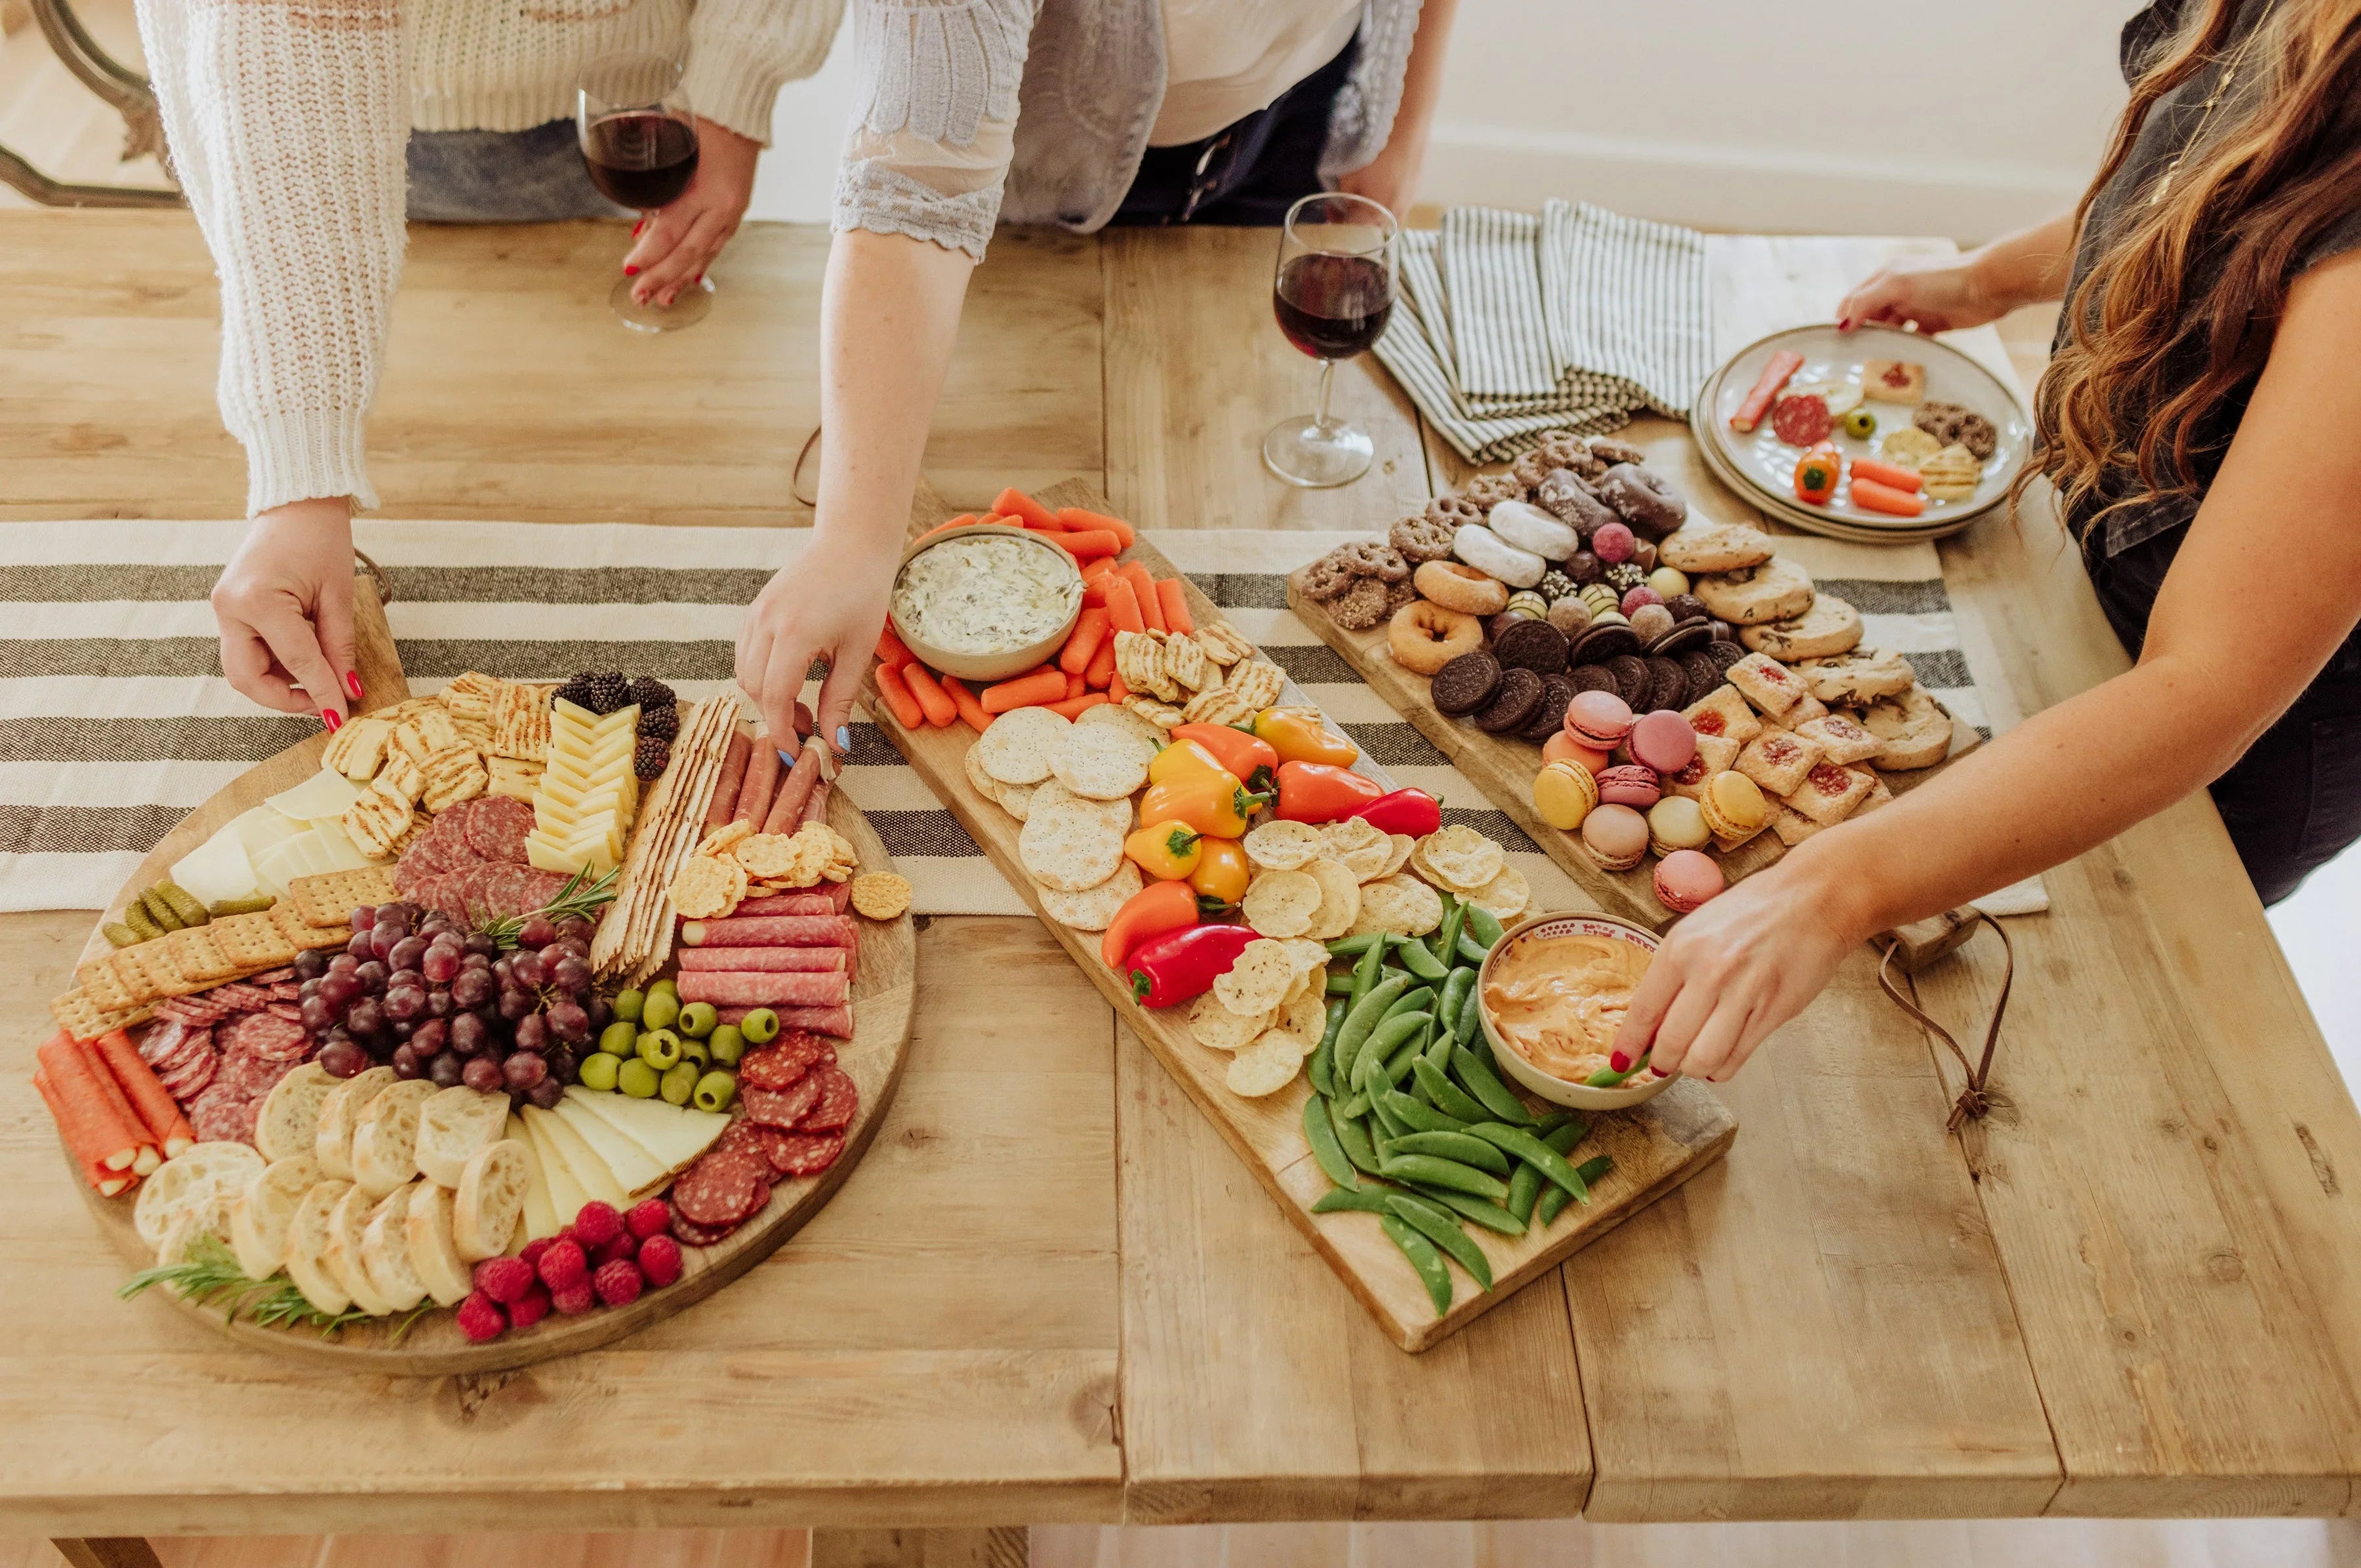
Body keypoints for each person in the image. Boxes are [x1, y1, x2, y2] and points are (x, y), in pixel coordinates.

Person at [1620, 0, 2361, 1084]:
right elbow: (2196, 191)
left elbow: (2206, 686)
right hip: (2106, 578)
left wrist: (1835, 886)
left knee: (2106, 1020)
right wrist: (1988, 279)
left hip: (2242, 730)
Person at [734, 0, 1461, 755]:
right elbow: (917, 190)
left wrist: (1403, 134)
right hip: (1041, 185)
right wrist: (853, 540)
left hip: (1292, 127)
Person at [141, 0, 843, 729]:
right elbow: (286, 63)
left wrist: (733, 90)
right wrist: (300, 483)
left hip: (634, 89)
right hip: (349, 116)